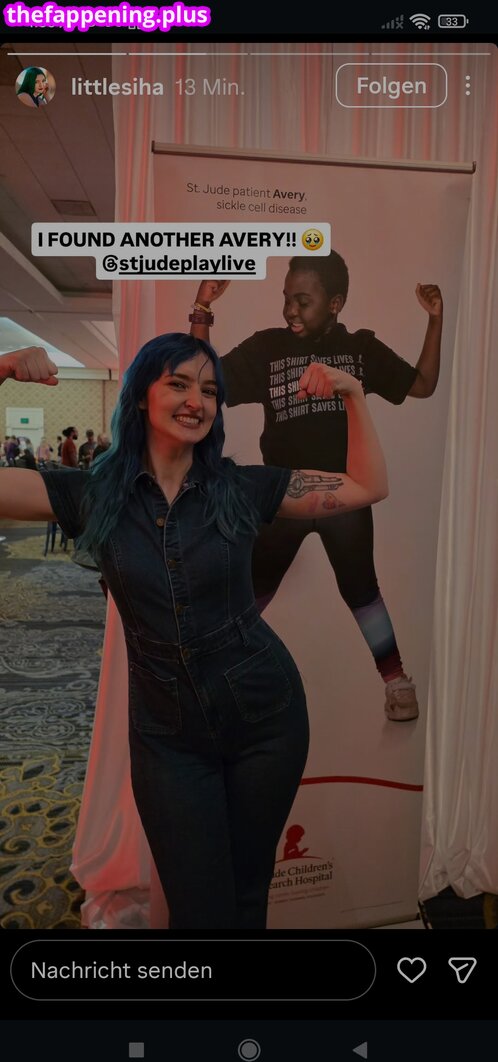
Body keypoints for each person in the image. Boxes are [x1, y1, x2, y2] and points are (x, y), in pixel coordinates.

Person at [0, 337, 387, 930]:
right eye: (178, 383)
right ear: (140, 397)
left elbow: (366, 486)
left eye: (209, 390)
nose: (196, 401)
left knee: (248, 897)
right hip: (168, 739)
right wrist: (1, 369)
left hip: (266, 719)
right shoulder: (94, 495)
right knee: (198, 911)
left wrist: (353, 394)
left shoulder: (244, 487)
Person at [190, 253, 443, 722]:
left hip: (345, 495)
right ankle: (208, 675)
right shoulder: (267, 348)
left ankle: (396, 681)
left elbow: (424, 384)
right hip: (282, 496)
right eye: (287, 299)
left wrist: (435, 320)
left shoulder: (360, 349)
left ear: (335, 303)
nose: (290, 310)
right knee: (251, 593)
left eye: (303, 301)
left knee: (362, 591)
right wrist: (202, 311)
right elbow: (202, 382)